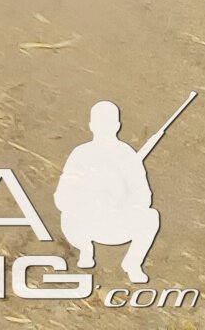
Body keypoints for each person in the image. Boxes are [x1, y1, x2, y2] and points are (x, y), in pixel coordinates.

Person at [54, 100, 163, 283]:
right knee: (67, 216)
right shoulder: (80, 154)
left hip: (118, 222)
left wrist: (121, 201)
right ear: (91, 126)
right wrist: (88, 200)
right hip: (87, 222)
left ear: (117, 126)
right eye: (100, 123)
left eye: (108, 123)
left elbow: (144, 195)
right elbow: (62, 196)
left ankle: (133, 263)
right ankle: (85, 249)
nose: (104, 128)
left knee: (151, 217)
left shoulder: (127, 155)